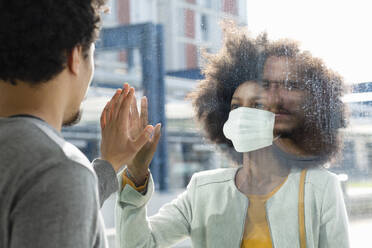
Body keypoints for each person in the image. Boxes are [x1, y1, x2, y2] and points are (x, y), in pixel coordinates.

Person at [113, 24, 350, 247]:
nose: (244, 114)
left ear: (278, 116)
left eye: (256, 105)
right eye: (236, 106)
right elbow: (138, 244)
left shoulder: (320, 187)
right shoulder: (203, 189)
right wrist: (136, 175)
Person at [0, 1, 161, 247]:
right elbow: (53, 191)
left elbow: (43, 208)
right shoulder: (56, 169)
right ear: (74, 56)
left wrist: (109, 164)